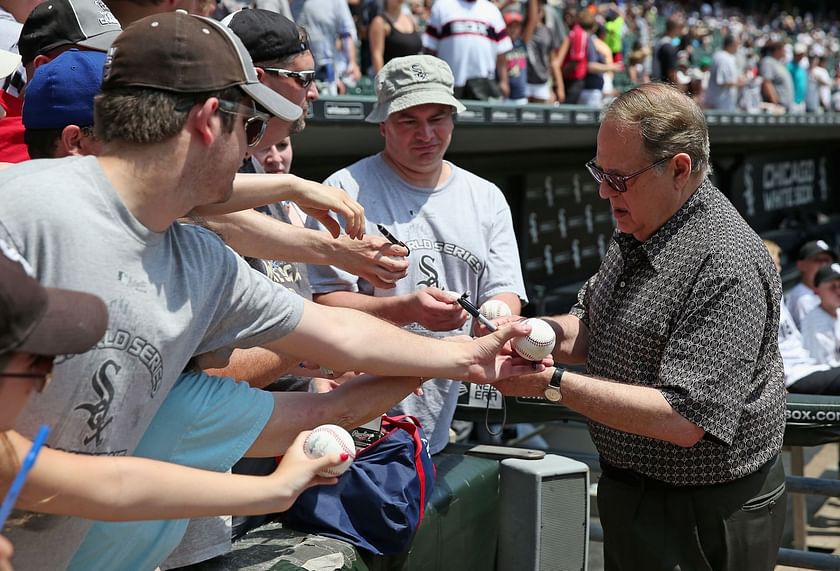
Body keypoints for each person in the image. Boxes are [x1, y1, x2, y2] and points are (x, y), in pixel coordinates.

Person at [0, 13, 546, 569]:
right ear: (211, 121)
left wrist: (468, 358)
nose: (254, 152)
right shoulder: (20, 210)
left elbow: (332, 330)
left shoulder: (199, 257)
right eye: (253, 128)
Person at [494, 83, 787, 571]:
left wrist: (552, 385)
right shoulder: (642, 221)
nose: (603, 191)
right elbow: (591, 326)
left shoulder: (726, 259)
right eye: (599, 173)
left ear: (679, 169)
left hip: (706, 512)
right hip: (632, 494)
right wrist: (531, 331)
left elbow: (685, 418)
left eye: (618, 178)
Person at [308, 54, 527, 456]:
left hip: (440, 413)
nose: (426, 133)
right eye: (409, 120)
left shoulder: (486, 197)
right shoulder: (343, 191)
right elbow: (321, 303)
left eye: (438, 117)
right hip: (355, 418)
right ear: (382, 125)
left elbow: (504, 288)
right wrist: (407, 308)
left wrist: (494, 316)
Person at [765, 240, 840, 395]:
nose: (778, 269)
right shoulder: (802, 299)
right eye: (818, 260)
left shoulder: (777, 297)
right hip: (794, 375)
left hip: (810, 366)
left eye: (778, 264)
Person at [422, 0, 511, 100]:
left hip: (484, 85)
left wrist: (504, 81)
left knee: (482, 115)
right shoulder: (442, 6)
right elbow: (430, 49)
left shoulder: (491, 10)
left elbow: (501, 51)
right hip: (448, 84)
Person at [787, 239, 837, 329]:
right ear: (801, 265)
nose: (824, 264)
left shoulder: (833, 290)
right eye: (818, 260)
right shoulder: (802, 298)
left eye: (827, 260)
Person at [800, 263, 840, 367]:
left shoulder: (837, 311)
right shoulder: (814, 322)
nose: (838, 291)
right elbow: (825, 365)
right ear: (816, 290)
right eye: (832, 287)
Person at [368, 0, 422, 74]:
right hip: (395, 81)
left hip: (416, 78)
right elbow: (377, 56)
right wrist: (382, 83)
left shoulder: (410, 20)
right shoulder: (380, 22)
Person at [705, 35, 745, 112]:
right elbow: (722, 81)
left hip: (723, 103)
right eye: (737, 44)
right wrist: (739, 83)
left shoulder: (723, 56)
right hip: (720, 104)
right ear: (731, 44)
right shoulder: (723, 58)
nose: (738, 47)